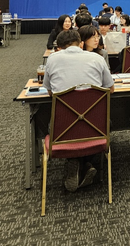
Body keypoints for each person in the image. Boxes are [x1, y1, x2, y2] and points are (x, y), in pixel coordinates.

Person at [43, 29, 114, 192]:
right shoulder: (97, 58)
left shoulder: (52, 59)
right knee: (106, 124)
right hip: (96, 127)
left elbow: (50, 92)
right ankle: (86, 164)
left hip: (62, 131)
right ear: (81, 44)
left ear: (59, 47)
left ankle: (75, 162)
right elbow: (110, 90)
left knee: (50, 125)